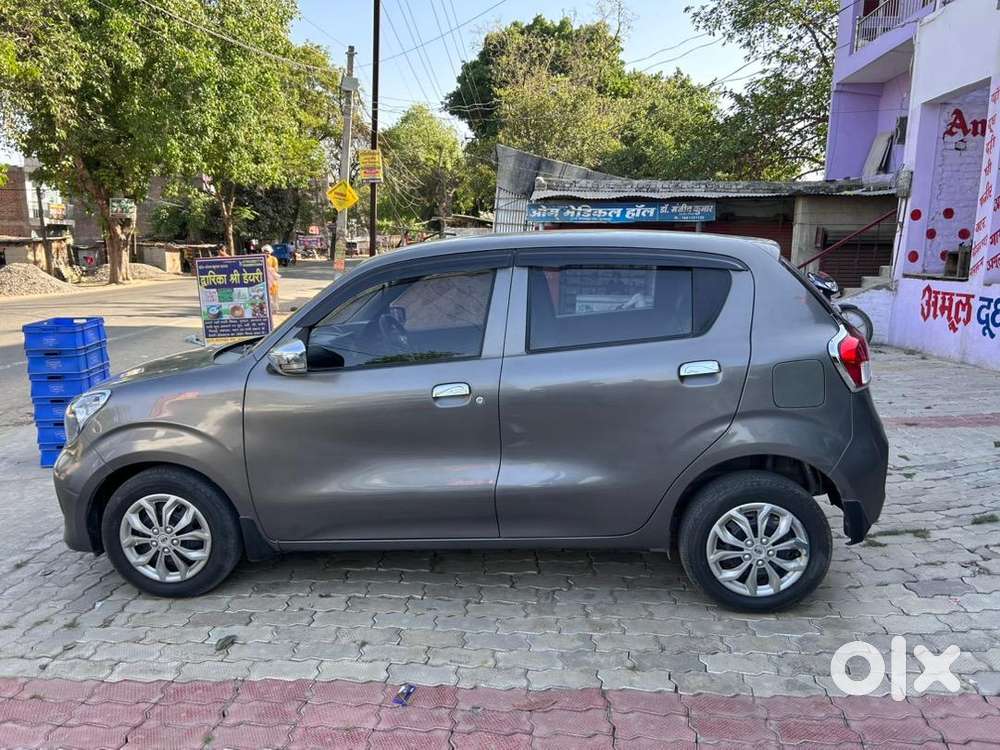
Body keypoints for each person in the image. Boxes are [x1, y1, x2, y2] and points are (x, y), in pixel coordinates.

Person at [261, 244, 281, 316]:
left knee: (274, 295)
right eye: (265, 251)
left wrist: (269, 270)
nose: (266, 253)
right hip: (264, 280)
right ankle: (266, 310)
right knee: (265, 295)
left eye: (267, 251)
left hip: (272, 280)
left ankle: (275, 309)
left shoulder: (273, 259)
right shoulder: (261, 259)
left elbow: (276, 269)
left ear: (270, 252)